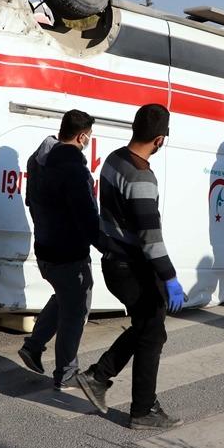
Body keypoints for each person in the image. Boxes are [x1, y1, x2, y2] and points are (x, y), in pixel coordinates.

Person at [74, 103, 185, 430]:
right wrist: (171, 278)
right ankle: (142, 410)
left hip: (114, 261)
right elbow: (151, 239)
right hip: (133, 267)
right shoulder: (141, 177)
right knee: (152, 332)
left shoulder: (113, 159)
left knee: (149, 328)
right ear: (160, 139)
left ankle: (99, 376)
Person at [17, 110, 104, 389]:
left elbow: (31, 202)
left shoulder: (38, 159)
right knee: (76, 310)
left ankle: (33, 346)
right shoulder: (73, 168)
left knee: (64, 297)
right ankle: (67, 372)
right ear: (82, 136)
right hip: (69, 251)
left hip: (45, 246)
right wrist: (108, 247)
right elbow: (86, 215)